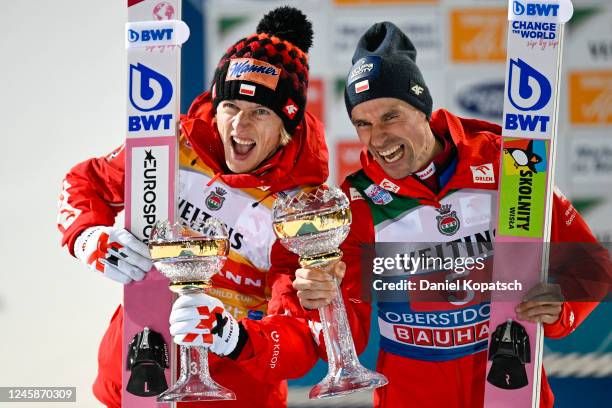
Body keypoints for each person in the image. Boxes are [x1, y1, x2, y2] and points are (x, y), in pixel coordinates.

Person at [292, 22, 610, 407]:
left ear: (422, 107)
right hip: (412, 394)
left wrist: (563, 308)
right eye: (363, 123)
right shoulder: (356, 204)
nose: (377, 138)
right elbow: (349, 338)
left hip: (509, 386)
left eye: (390, 116)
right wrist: (323, 301)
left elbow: (593, 265)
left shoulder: (505, 160)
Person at [57, 7, 337, 407]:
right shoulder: (172, 146)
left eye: (260, 112)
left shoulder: (300, 205)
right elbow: (85, 182)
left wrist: (234, 337)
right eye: (231, 108)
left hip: (235, 394)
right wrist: (89, 237)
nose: (240, 127)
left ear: (286, 128)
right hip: (137, 378)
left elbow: (299, 340)